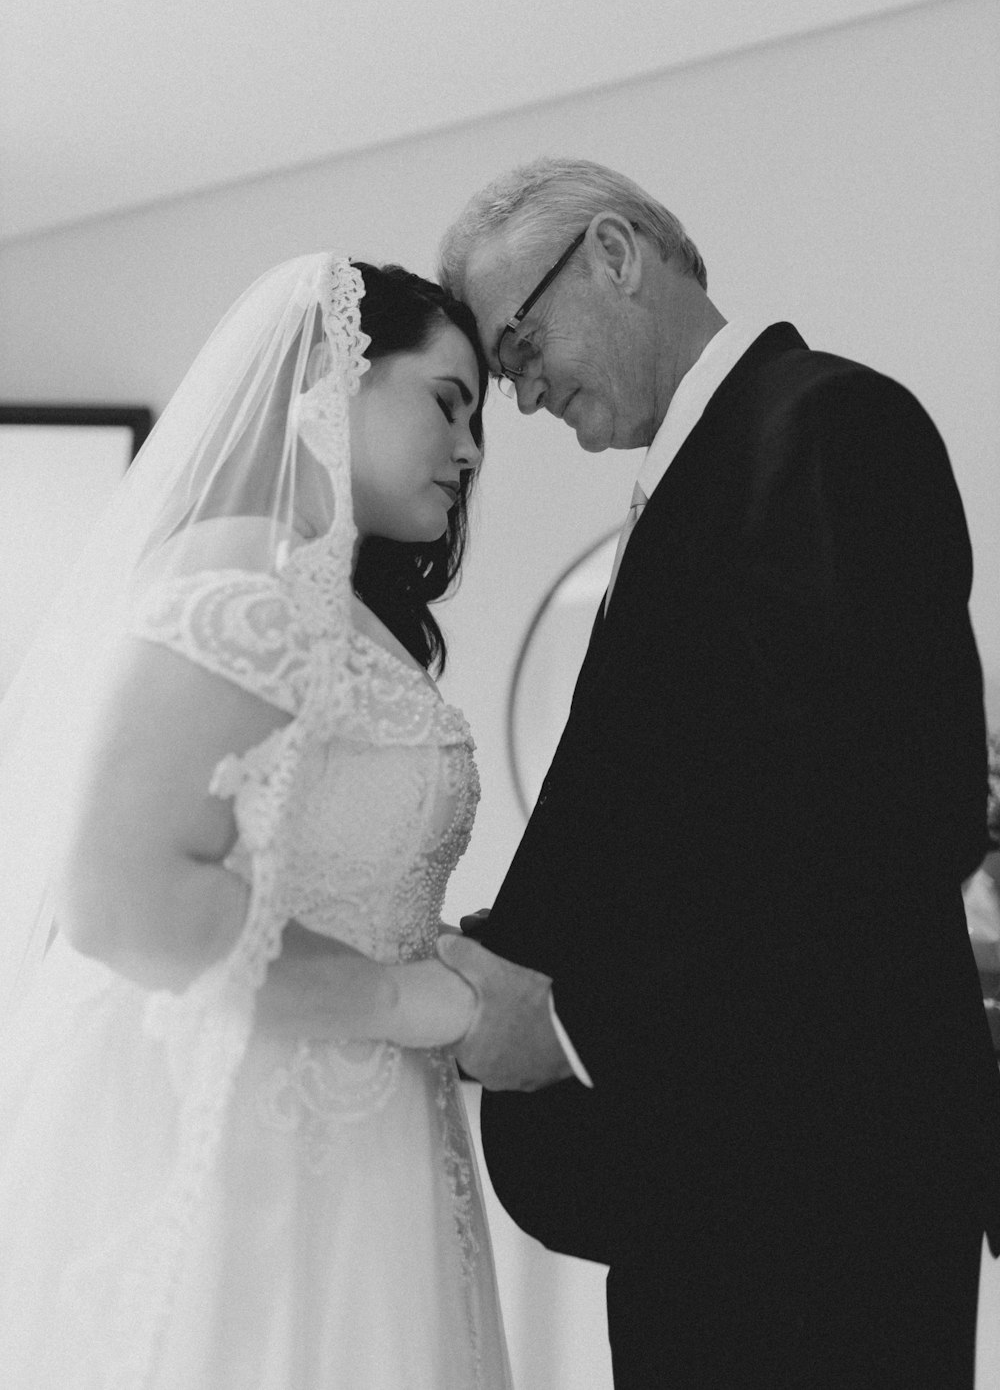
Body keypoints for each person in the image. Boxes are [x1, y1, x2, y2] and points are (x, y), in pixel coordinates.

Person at [435, 157, 1000, 1388]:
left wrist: (579, 1020)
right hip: (722, 1181)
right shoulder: (704, 477)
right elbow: (698, 818)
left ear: (615, 255)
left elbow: (901, 810)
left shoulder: (824, 426)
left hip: (819, 1195)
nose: (521, 401)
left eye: (519, 347)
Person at [0, 254, 513, 1389]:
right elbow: (121, 894)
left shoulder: (339, 605)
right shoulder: (247, 571)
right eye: (447, 401)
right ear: (339, 372)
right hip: (251, 1136)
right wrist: (414, 999)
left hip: (366, 1143)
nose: (472, 450)